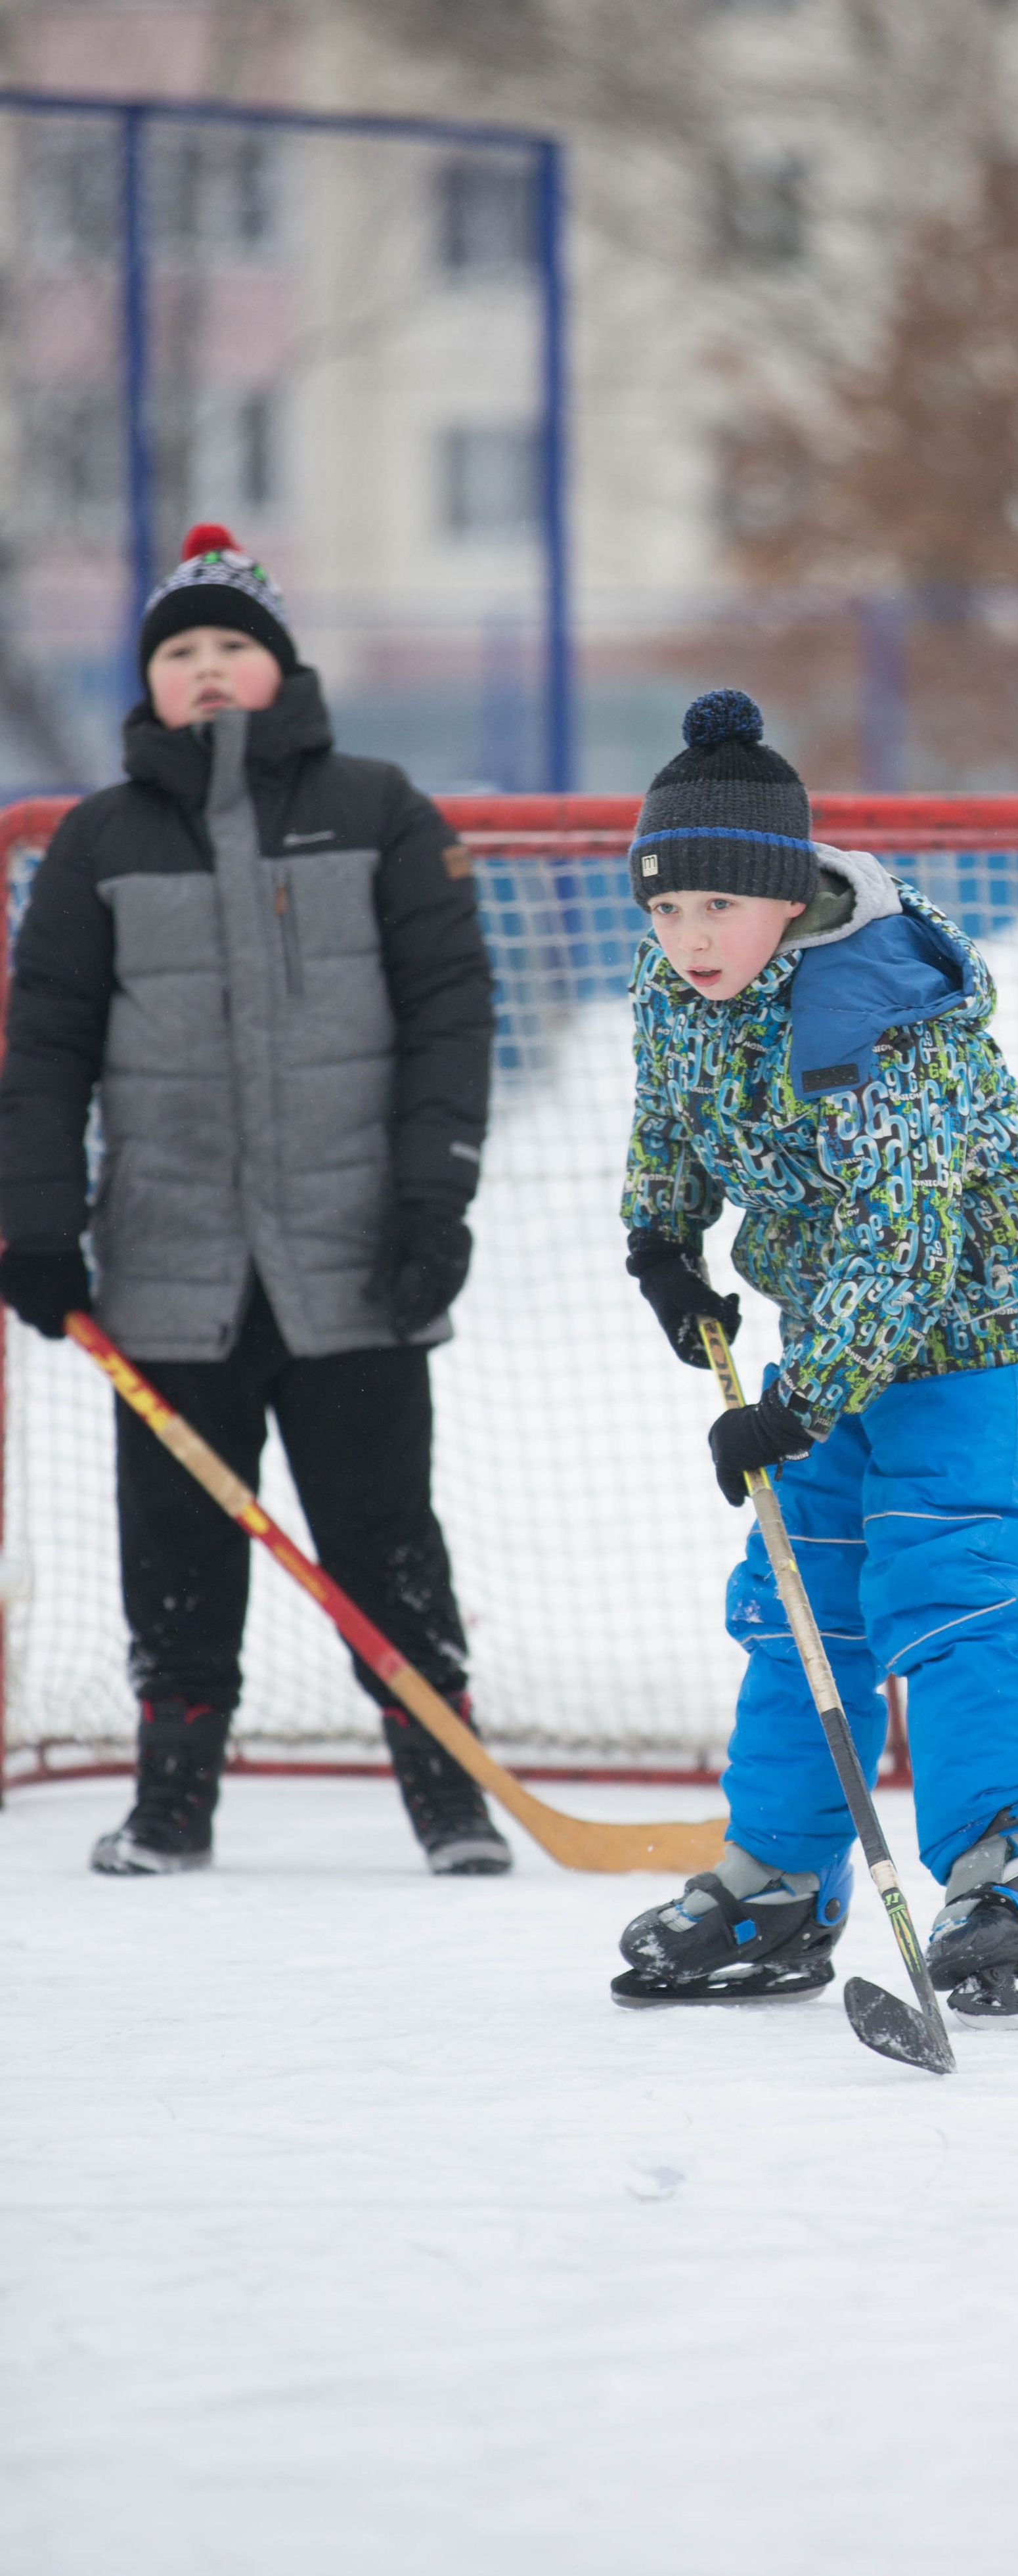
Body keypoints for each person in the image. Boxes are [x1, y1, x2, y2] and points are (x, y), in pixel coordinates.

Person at [0, 523, 510, 1878]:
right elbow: (41, 1043)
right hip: (167, 1267)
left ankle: (447, 1791)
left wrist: (431, 1206)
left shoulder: (383, 807)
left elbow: (451, 1018)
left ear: (281, 667)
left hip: (354, 1263)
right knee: (175, 1547)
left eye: (236, 646)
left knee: (385, 1536)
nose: (211, 670)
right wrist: (36, 1220)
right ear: (148, 685)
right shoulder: (96, 842)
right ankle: (172, 1800)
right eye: (182, 651)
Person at [610, 688, 1018, 2022]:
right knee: (795, 1601)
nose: (688, 936)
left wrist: (791, 1408)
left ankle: (1006, 1880)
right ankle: (774, 1882)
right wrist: (663, 1246)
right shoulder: (677, 991)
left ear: (784, 896)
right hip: (828, 1328)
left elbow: (905, 1243)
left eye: (716, 907)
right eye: (664, 909)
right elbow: (669, 1118)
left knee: (945, 1594)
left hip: (963, 1336)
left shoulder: (871, 1016)